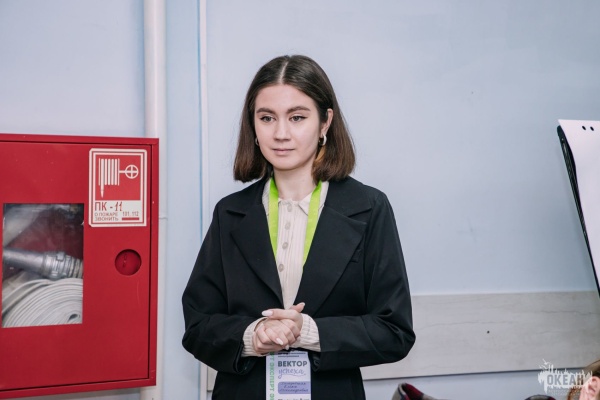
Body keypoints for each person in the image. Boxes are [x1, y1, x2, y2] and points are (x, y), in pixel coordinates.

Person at [182, 54, 415, 399]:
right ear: (253, 125)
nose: (280, 133)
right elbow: (198, 325)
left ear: (325, 123)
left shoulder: (369, 208)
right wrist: (252, 335)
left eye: (297, 117)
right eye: (266, 118)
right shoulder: (230, 213)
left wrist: (308, 331)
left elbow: (394, 331)